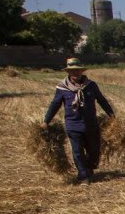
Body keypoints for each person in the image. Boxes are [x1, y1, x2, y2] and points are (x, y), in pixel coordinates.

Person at [41, 57, 114, 185]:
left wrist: (111, 114)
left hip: (91, 124)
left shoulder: (91, 86)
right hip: (73, 125)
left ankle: (89, 168)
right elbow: (55, 104)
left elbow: (101, 100)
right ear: (68, 72)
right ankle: (83, 175)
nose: (75, 73)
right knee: (77, 152)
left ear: (81, 71)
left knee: (94, 151)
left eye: (77, 71)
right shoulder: (62, 87)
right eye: (72, 71)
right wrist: (46, 121)